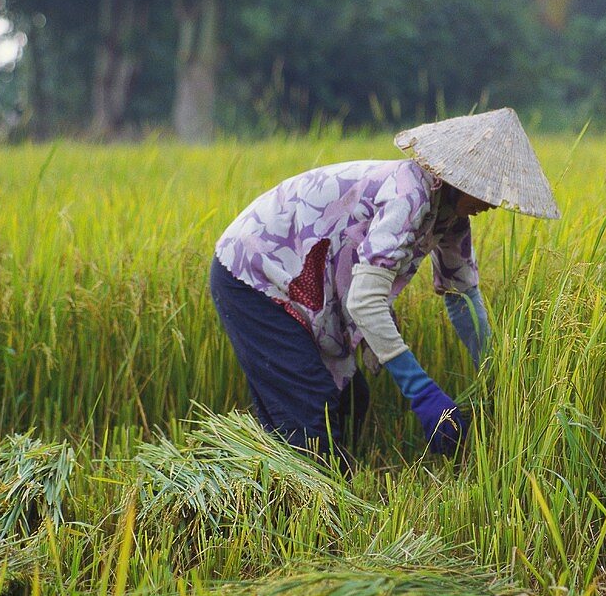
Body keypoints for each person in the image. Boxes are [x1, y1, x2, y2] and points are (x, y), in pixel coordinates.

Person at [208, 108, 560, 470]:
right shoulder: (408, 196)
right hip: (254, 274)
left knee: (351, 402)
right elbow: (365, 302)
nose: (492, 204)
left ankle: (307, 485)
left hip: (302, 284)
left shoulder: (452, 216)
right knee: (311, 418)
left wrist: (497, 376)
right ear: (462, 179)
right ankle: (296, 504)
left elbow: (463, 298)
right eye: (489, 192)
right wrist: (421, 391)